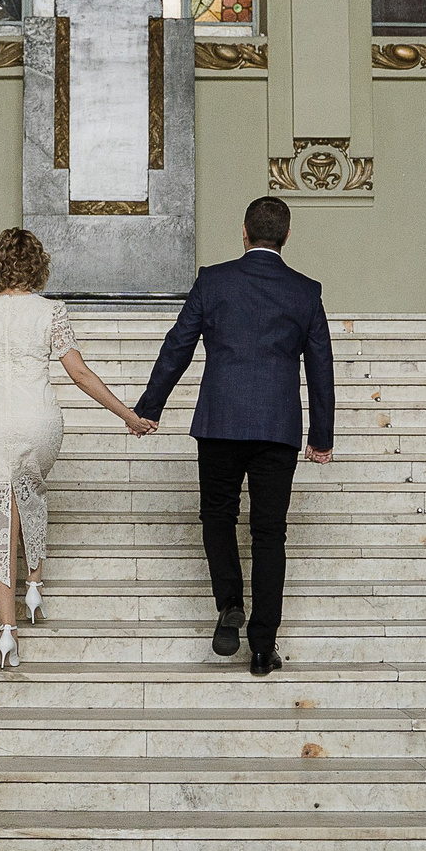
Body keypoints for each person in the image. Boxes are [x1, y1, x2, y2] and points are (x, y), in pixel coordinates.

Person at [131, 197, 335, 676]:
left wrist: (149, 407)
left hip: (220, 422)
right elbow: (321, 368)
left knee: (218, 516)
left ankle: (229, 604)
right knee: (269, 534)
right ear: (286, 237)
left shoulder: (214, 280)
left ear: (243, 232)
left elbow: (177, 344)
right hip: (277, 429)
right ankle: (263, 648)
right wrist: (320, 435)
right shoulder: (306, 292)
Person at [0, 228, 151, 669]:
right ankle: (35, 582)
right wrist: (127, 415)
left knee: (0, 516)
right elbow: (79, 373)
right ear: (36, 266)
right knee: (30, 489)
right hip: (40, 419)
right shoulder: (51, 312)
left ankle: (7, 632)